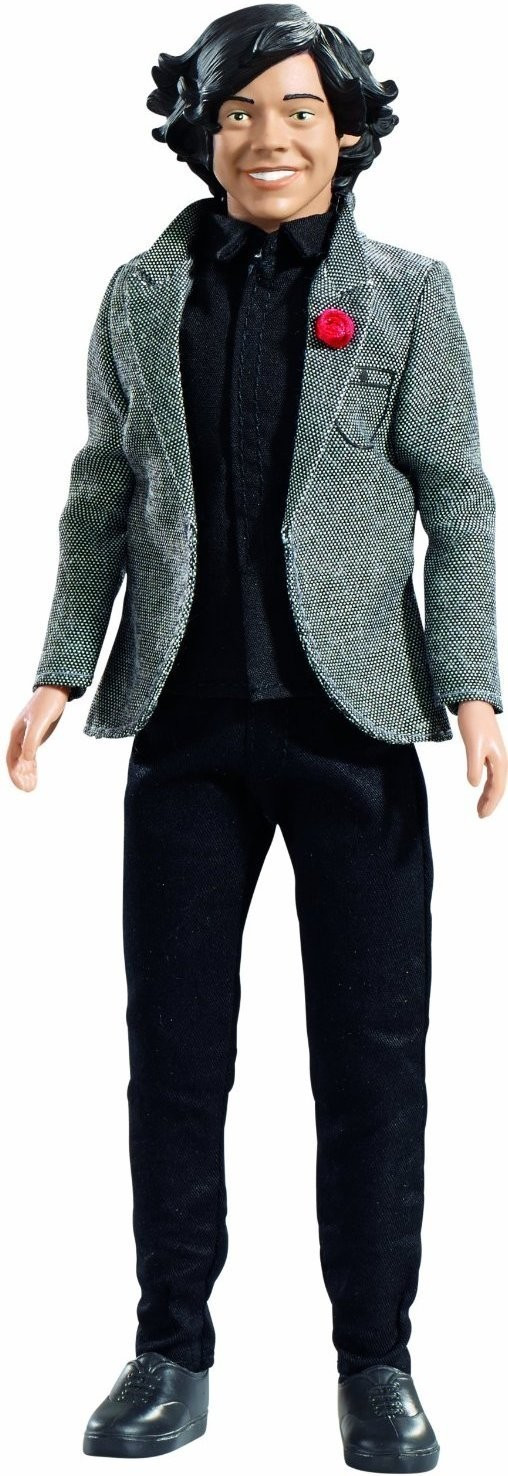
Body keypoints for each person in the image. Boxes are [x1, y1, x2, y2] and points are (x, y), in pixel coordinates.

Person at [6, 5, 506, 1469]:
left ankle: (378, 1362)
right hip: (184, 727)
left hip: (356, 729)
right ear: (199, 131)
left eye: (297, 111)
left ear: (345, 134)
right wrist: (59, 668)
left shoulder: (408, 293)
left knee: (374, 1058)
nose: (265, 138)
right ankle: (171, 1345)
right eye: (236, 112)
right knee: (173, 1052)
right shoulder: (139, 293)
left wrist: (474, 685)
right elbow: (101, 492)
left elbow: (457, 497)